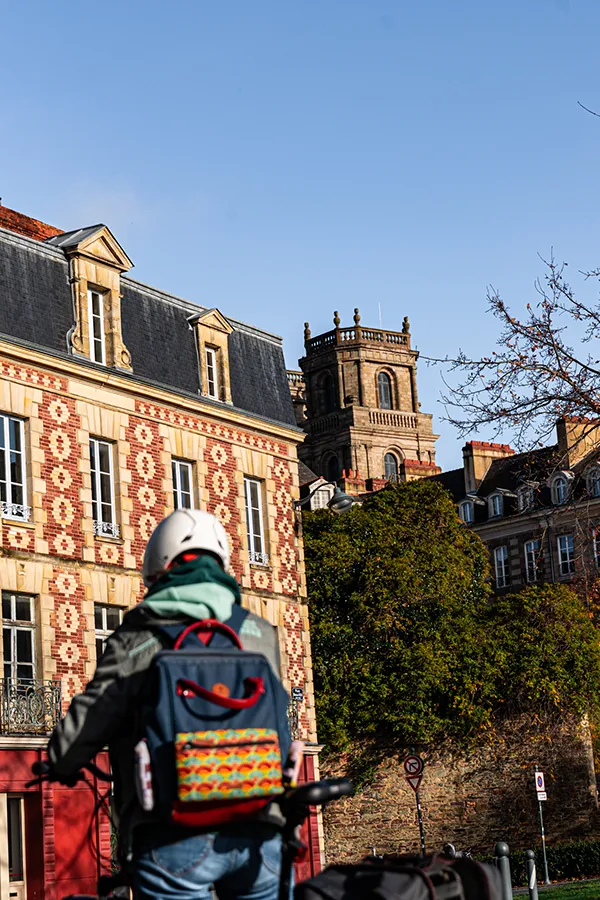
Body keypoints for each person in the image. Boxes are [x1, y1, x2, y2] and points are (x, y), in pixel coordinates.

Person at [47, 508, 288, 900]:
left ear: (158, 569)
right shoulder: (259, 633)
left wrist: (61, 760)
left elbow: (91, 718)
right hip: (260, 831)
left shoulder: (140, 635)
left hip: (173, 832)